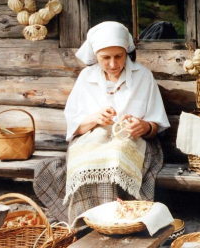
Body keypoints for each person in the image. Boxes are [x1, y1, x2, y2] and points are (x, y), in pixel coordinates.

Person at [34, 21, 170, 223]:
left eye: (119, 56)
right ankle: (90, 222)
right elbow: (75, 127)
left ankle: (113, 222)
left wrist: (144, 126)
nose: (113, 64)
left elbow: (156, 127)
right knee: (88, 161)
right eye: (106, 58)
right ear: (95, 56)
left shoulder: (143, 76)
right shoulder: (85, 78)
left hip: (135, 142)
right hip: (92, 140)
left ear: (127, 52)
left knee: (115, 155)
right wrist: (94, 119)